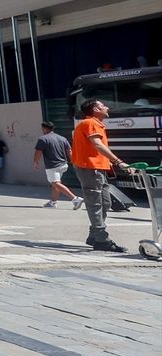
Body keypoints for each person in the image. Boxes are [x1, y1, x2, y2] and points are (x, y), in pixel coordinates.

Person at [71, 99, 131, 252]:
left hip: (97, 168)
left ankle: (93, 235)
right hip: (90, 168)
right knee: (96, 204)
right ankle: (101, 239)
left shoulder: (93, 123)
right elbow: (97, 144)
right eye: (103, 105)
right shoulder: (90, 123)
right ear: (96, 109)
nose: (107, 107)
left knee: (105, 203)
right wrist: (118, 161)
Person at [33, 121, 82, 209]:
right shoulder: (62, 138)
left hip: (53, 166)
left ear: (43, 128)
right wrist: (73, 161)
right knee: (56, 183)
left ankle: (75, 199)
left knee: (55, 183)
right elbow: (69, 151)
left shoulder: (43, 139)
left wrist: (36, 162)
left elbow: (38, 152)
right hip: (63, 165)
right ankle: (53, 202)